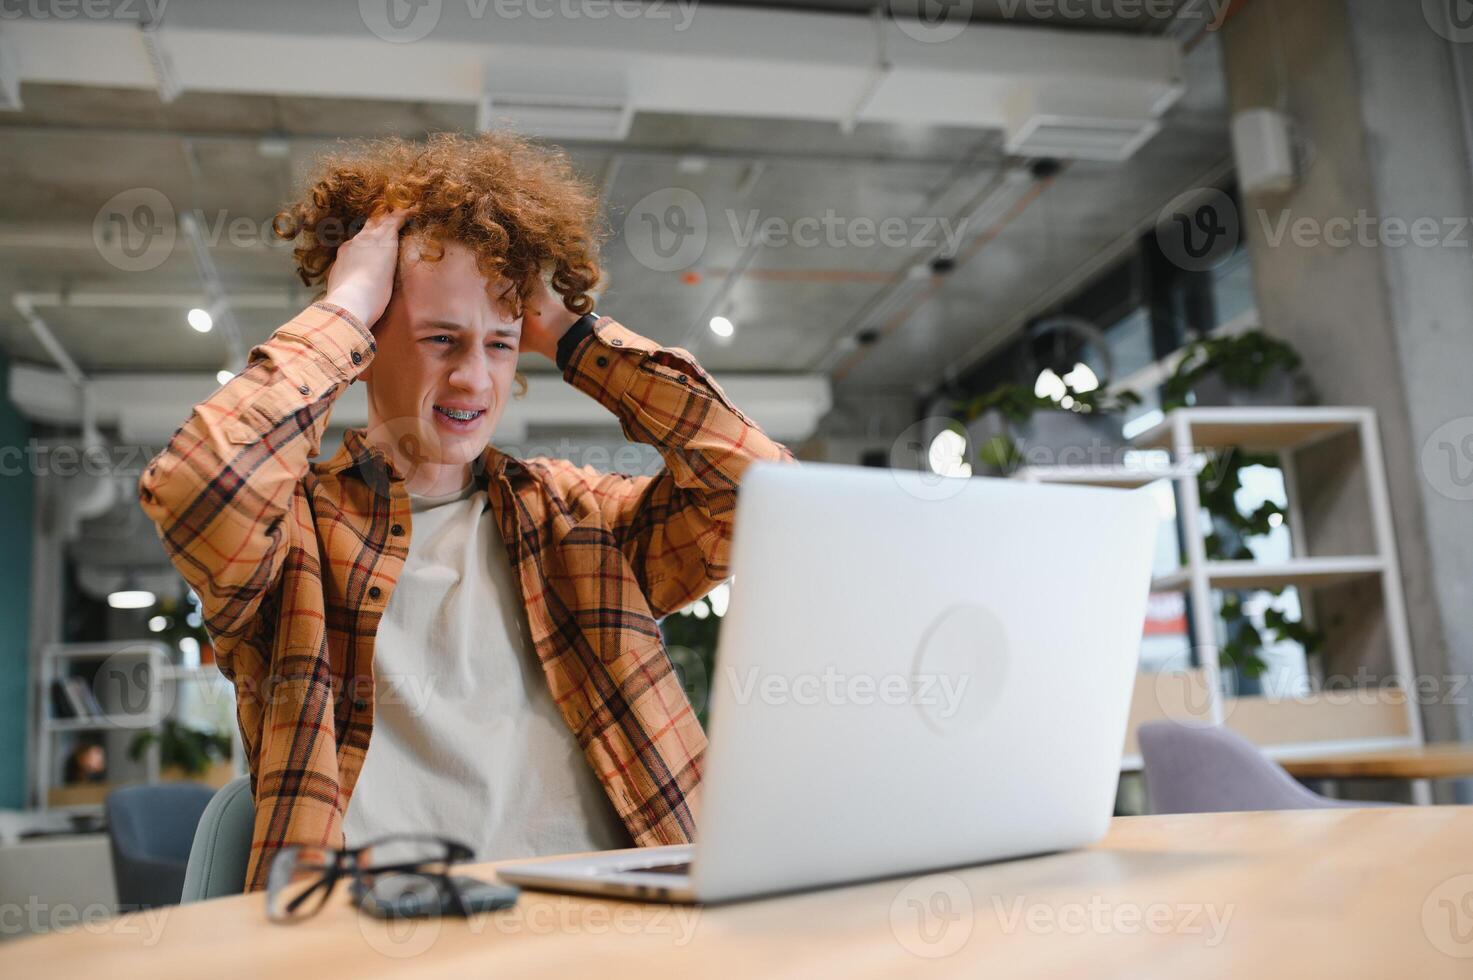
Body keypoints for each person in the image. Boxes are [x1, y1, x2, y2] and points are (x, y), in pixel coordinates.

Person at [139, 132, 794, 892]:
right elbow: (197, 487)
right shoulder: (294, 538)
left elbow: (763, 496)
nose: (472, 379)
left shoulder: (575, 521)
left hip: (620, 927)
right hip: (376, 938)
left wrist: (576, 337)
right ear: (369, 344)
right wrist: (346, 304)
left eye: (501, 344)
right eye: (440, 339)